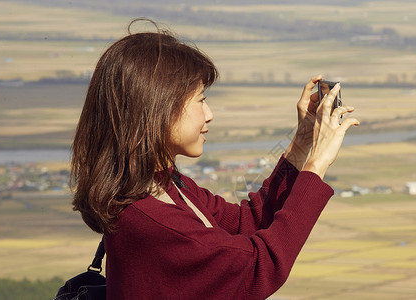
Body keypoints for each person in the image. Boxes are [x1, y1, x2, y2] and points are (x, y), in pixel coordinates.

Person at [71, 20, 358, 300]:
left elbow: (248, 222)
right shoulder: (153, 219)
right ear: (157, 108)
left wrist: (303, 142)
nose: (209, 114)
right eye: (200, 100)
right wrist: (317, 164)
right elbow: (255, 268)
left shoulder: (162, 186)